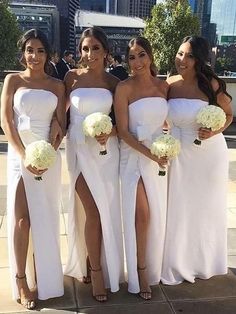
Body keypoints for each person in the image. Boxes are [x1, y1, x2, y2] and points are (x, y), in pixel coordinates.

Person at [0, 29, 65, 309]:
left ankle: (45, 274)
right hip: (20, 155)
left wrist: (50, 144)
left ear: (47, 54)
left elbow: (60, 122)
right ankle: (20, 279)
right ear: (22, 52)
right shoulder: (13, 80)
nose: (34, 56)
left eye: (40, 51)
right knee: (22, 220)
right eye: (29, 50)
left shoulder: (57, 85)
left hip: (47, 157)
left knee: (45, 218)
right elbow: (6, 122)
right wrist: (25, 155)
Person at [161, 36, 233, 285]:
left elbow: (228, 114)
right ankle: (175, 261)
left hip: (208, 155)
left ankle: (203, 261)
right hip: (178, 155)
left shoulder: (211, 84)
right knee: (178, 209)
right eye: (180, 54)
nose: (182, 60)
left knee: (203, 209)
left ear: (199, 59)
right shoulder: (169, 84)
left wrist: (214, 130)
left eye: (189, 56)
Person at [63, 26, 124, 302]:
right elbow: (58, 114)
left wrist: (108, 132)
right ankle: (96, 270)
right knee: (91, 211)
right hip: (77, 149)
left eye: (95, 48)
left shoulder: (114, 83)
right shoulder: (70, 78)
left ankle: (95, 260)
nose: (90, 54)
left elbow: (123, 124)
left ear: (106, 51)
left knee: (104, 211)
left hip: (105, 153)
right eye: (85, 48)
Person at [114, 37, 169, 300]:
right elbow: (123, 132)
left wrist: (167, 147)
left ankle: (154, 263)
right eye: (132, 57)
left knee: (155, 216)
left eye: (142, 55)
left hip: (160, 159)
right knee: (141, 216)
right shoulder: (123, 88)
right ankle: (139, 271)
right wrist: (151, 154)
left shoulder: (164, 86)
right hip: (134, 157)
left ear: (151, 56)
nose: (137, 62)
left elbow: (169, 121)